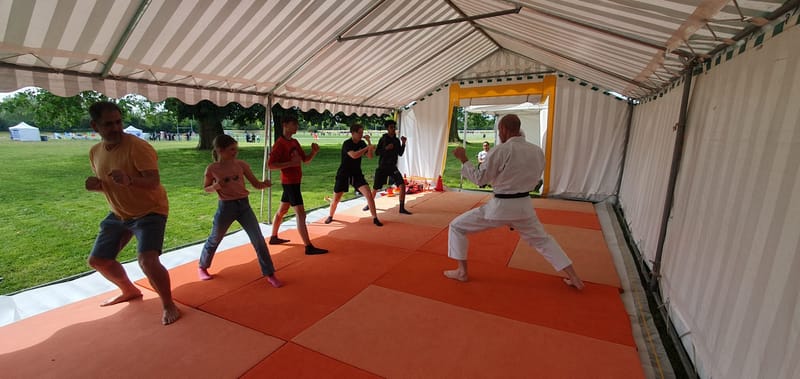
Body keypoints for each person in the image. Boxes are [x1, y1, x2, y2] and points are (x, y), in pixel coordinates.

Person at [444, 114, 584, 290]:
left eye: (499, 131)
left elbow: (480, 180)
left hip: (500, 207)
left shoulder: (501, 151)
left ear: (503, 129)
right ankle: (575, 277)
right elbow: (535, 180)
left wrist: (464, 159)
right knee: (543, 241)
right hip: (524, 206)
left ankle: (462, 272)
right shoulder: (536, 151)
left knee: (457, 227)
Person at [84, 101, 181, 325]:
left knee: (147, 260)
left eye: (118, 122)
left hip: (150, 211)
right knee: (98, 260)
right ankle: (130, 290)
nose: (116, 128)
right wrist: (96, 186)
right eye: (108, 124)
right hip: (119, 214)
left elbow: (153, 182)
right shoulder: (95, 152)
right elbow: (110, 184)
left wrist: (129, 180)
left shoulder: (138, 147)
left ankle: (168, 304)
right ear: (95, 126)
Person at [198, 134, 283, 288]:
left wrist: (265, 184)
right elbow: (206, 188)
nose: (235, 152)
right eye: (232, 150)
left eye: (236, 149)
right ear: (220, 150)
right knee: (215, 237)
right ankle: (202, 266)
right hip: (226, 207)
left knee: (258, 240)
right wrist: (216, 186)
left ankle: (270, 273)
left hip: (244, 206)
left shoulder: (241, 165)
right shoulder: (212, 169)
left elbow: (255, 184)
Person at [267, 115, 328, 255]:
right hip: (289, 183)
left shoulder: (294, 142)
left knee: (282, 210)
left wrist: (313, 152)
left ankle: (274, 237)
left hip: (294, 181)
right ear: (285, 125)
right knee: (301, 213)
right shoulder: (280, 144)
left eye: (297, 124)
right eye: (294, 124)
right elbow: (270, 165)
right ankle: (308, 246)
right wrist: (290, 164)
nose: (296, 126)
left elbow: (304, 160)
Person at [325, 124, 383, 226]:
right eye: (359, 132)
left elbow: (370, 156)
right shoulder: (347, 143)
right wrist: (366, 148)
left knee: (369, 195)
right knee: (336, 199)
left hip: (356, 173)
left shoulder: (362, 143)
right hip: (344, 173)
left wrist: (368, 143)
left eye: (362, 132)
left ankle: (375, 218)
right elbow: (354, 155)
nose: (361, 135)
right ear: (353, 133)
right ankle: (330, 216)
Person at [362, 120, 412, 215]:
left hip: (392, 167)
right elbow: (377, 153)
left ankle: (402, 208)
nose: (393, 129)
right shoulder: (383, 139)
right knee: (375, 188)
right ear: (387, 129)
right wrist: (386, 148)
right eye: (391, 127)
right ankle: (369, 204)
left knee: (402, 185)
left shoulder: (396, 140)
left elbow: (400, 153)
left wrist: (403, 143)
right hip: (383, 167)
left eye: (394, 127)